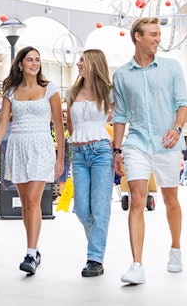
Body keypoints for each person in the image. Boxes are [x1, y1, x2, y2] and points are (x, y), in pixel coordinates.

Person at [111, 17, 187, 286]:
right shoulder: (121, 74)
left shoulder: (171, 67)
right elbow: (120, 115)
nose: (158, 39)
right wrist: (118, 150)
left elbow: (183, 104)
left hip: (168, 142)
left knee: (170, 199)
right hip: (137, 142)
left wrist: (177, 129)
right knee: (136, 200)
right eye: (153, 34)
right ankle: (136, 265)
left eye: (159, 34)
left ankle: (176, 248)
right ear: (138, 37)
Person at [0, 46, 65, 275]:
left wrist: (61, 158)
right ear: (20, 64)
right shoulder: (10, 91)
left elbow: (59, 127)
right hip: (18, 146)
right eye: (30, 60)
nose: (35, 63)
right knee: (26, 204)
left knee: (33, 201)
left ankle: (30, 254)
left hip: (41, 146)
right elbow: (3, 124)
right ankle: (35, 248)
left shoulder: (50, 89)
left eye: (38, 60)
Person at [66, 49, 114, 278]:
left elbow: (120, 119)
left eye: (82, 60)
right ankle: (98, 243)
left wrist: (119, 150)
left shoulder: (109, 92)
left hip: (102, 152)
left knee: (100, 206)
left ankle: (95, 258)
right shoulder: (72, 92)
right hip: (79, 153)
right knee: (81, 207)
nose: (78, 63)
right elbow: (69, 125)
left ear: (94, 63)